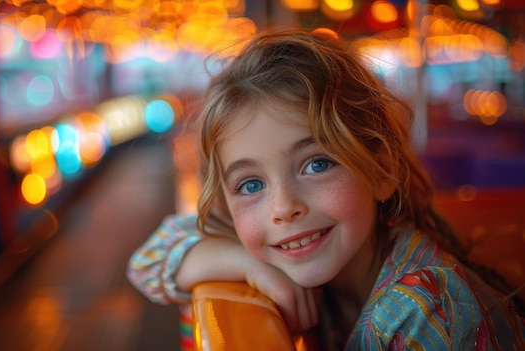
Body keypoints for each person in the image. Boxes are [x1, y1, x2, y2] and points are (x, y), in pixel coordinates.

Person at [127, 30, 525, 349]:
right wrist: (248, 265)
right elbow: (146, 260)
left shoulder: (426, 313)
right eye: (250, 184)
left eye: (317, 164)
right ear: (227, 204)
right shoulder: (314, 249)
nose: (283, 208)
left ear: (382, 169)